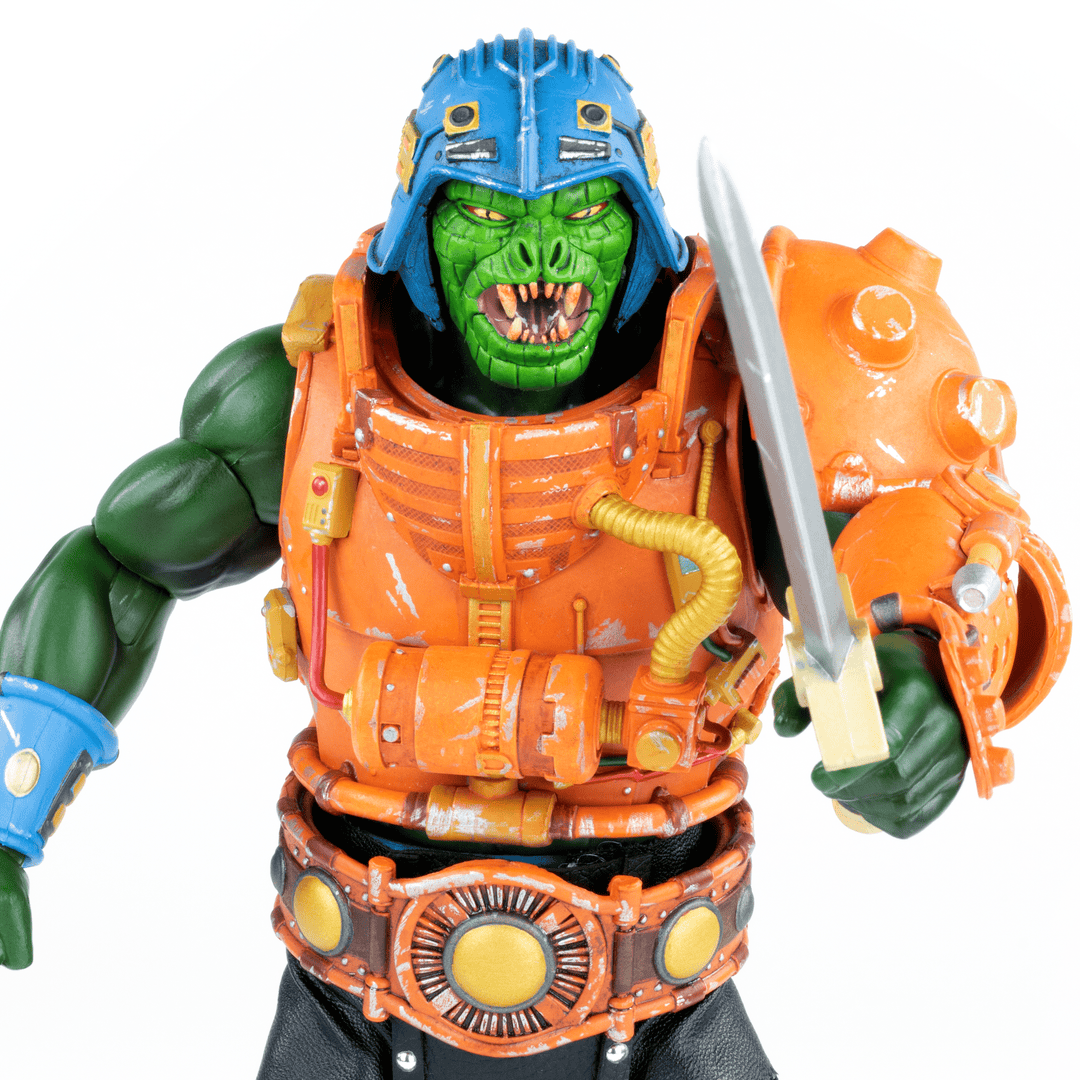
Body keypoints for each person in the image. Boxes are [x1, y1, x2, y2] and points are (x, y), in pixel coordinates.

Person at [0, 30, 1067, 1080]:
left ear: (639, 225)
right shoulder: (303, 392)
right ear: (419, 225)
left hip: (660, 1002)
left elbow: (918, 521)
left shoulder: (740, 394)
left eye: (584, 213)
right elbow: (116, 563)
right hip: (352, 998)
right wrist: (7, 809)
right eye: (486, 215)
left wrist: (926, 667)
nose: (543, 262)